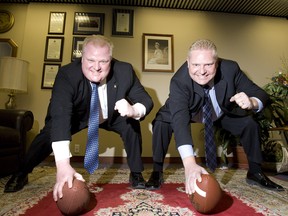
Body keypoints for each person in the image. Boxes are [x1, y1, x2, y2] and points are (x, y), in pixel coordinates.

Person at [4, 35, 154, 200]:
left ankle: (136, 173)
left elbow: (146, 100)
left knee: (131, 125)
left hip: (110, 115)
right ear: (82, 58)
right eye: (90, 60)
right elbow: (60, 115)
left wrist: (133, 109)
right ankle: (22, 172)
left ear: (110, 59)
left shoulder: (124, 70)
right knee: (49, 134)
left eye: (103, 61)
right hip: (78, 116)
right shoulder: (67, 74)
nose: (96, 67)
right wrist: (63, 165)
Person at [145, 39, 284, 193]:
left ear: (216, 63)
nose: (202, 71)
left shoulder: (231, 69)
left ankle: (255, 172)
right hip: (188, 111)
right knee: (161, 123)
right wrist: (190, 163)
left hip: (220, 112)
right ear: (188, 62)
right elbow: (180, 122)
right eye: (196, 65)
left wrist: (252, 102)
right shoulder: (179, 81)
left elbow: (261, 94)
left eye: (208, 64)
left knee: (249, 123)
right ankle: (157, 172)